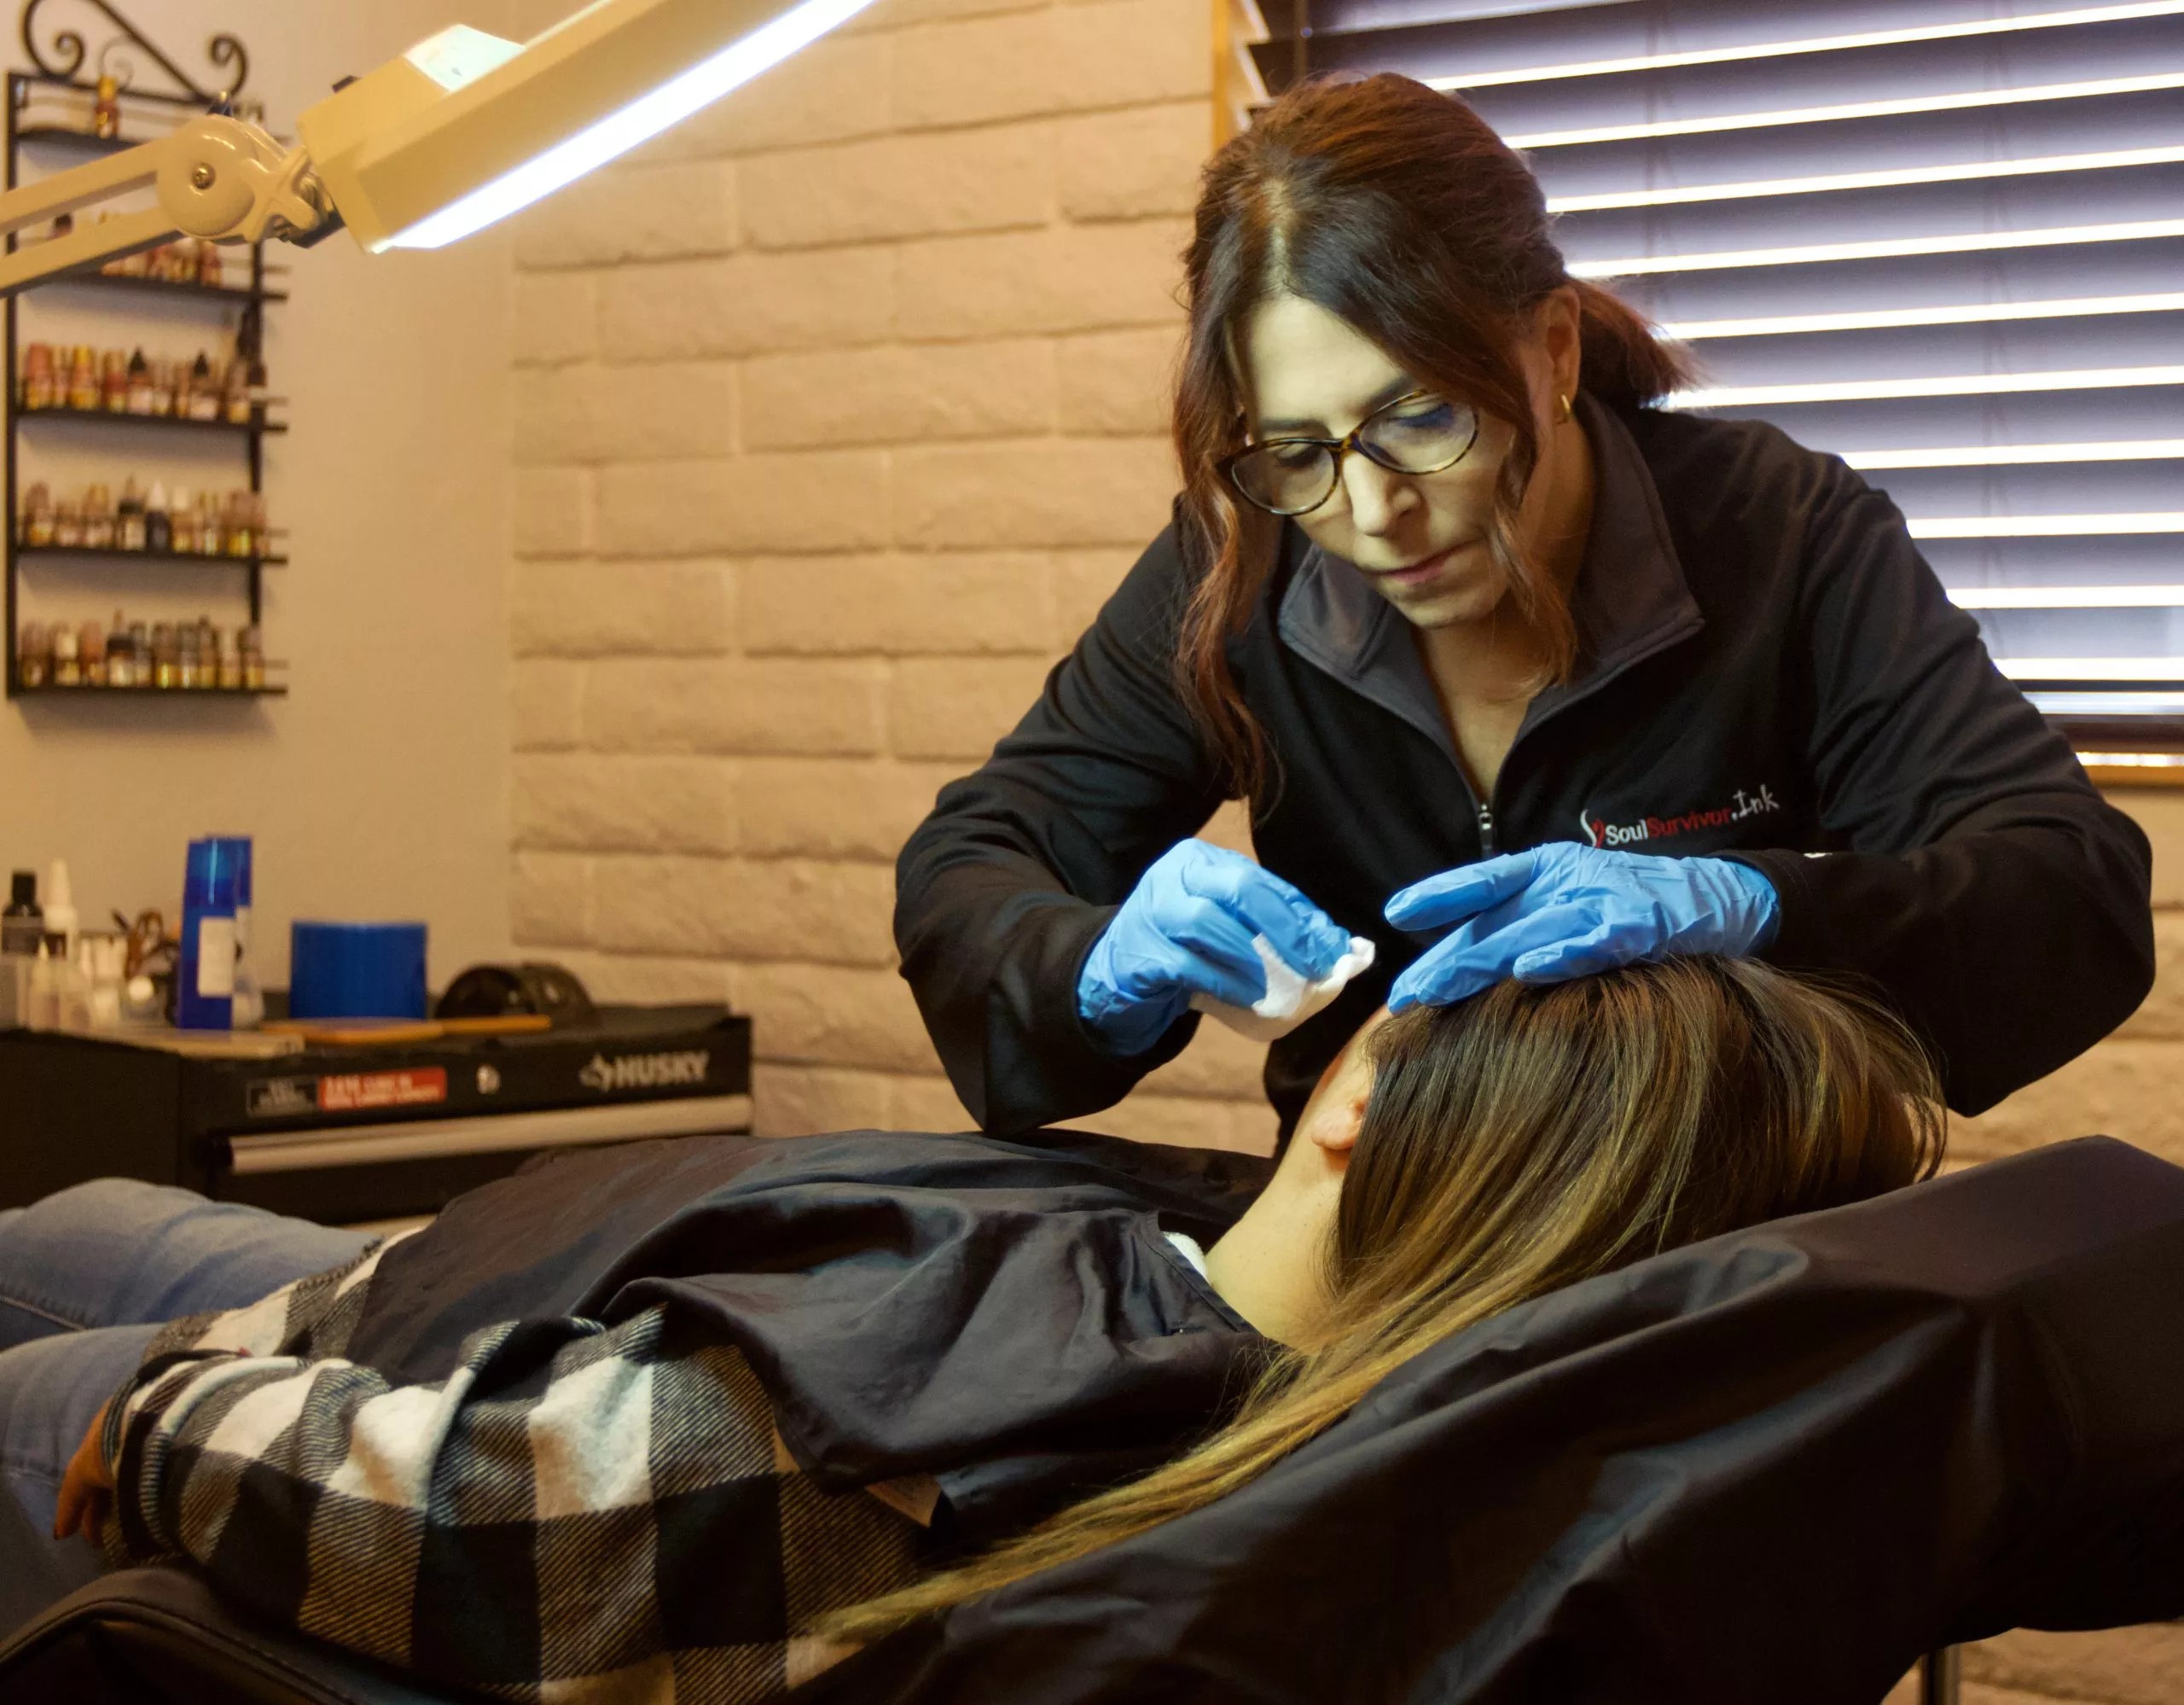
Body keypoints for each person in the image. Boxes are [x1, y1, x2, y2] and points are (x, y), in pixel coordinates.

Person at [0, 958, 1938, 1700]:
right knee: (71, 1219)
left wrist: (156, 1426)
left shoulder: (977, 1438)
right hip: (453, 1278)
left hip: (351, 1389)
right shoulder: (1235, 1288)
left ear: (1351, 1112)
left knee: (33, 1366)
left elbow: (472, 1524)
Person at [892, 72, 2155, 1143]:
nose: (1371, 509)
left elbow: (2071, 892)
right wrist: (1099, 964)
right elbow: (971, 869)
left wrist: (1759, 909)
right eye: (1296, 447)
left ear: (1551, 350)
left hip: (1719, 1254)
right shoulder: (1242, 560)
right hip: (1388, 1249)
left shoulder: (1779, 533)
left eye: (1419, 417)